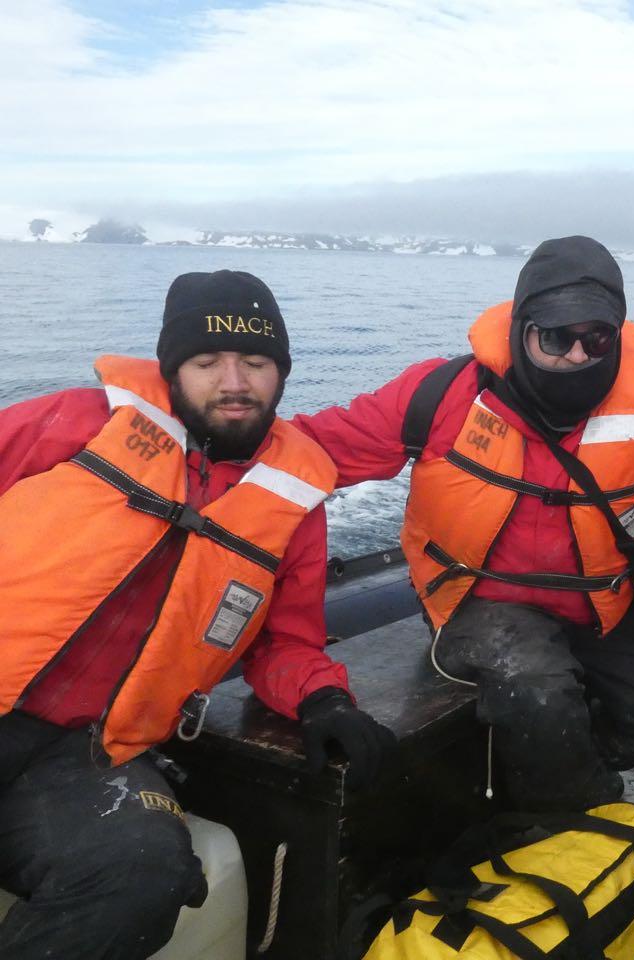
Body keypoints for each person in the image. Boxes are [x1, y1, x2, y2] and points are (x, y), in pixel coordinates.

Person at [293, 235, 634, 812]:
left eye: (596, 337)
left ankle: (546, 766)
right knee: (537, 690)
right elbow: (316, 449)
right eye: (556, 336)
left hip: (597, 602)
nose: (577, 355)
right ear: (522, 329)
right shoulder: (439, 396)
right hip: (479, 600)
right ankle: (566, 811)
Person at [0, 270, 396, 960]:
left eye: (256, 361)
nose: (234, 380)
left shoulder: (291, 506)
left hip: (88, 756)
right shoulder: (75, 422)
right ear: (172, 368)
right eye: (207, 362)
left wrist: (325, 700)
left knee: (144, 871)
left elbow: (284, 644)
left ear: (282, 372)